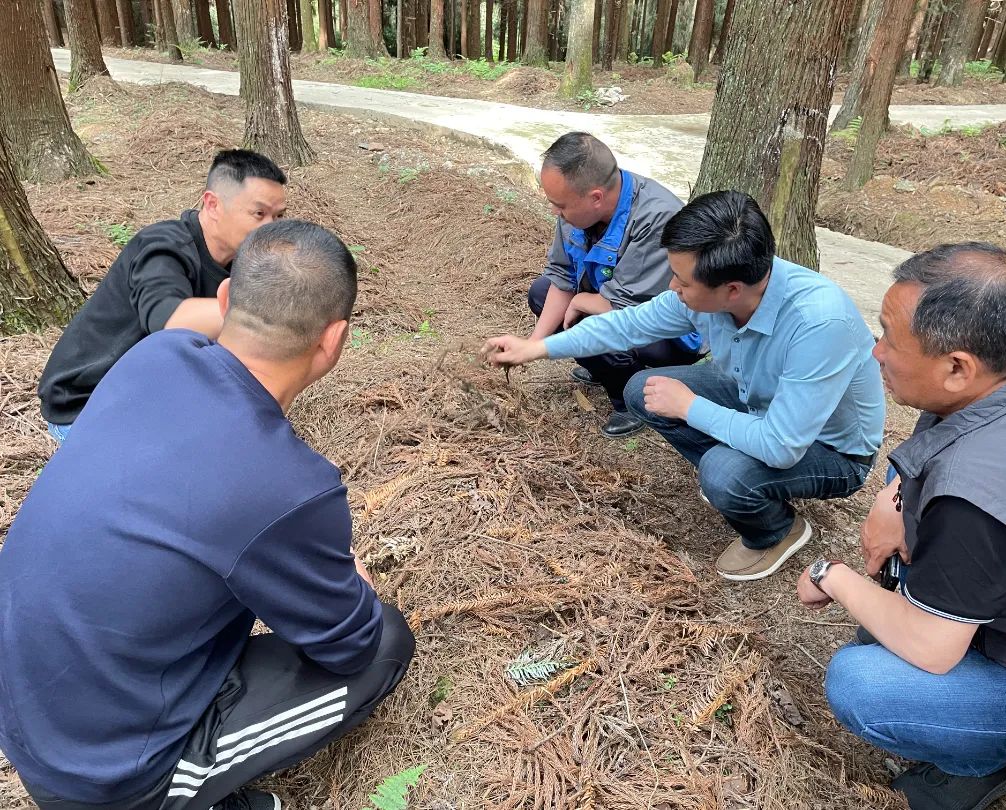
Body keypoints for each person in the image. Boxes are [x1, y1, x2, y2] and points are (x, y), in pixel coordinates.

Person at [0, 220, 414, 810]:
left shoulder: (156, 355)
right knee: (384, 643)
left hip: (26, 716)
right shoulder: (292, 485)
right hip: (102, 778)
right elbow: (348, 647)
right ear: (334, 341)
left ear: (222, 300)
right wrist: (355, 592)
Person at [798, 243, 1006, 810]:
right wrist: (895, 495)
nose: (876, 352)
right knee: (884, 621)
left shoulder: (980, 497)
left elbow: (931, 649)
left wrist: (831, 574)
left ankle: (987, 762)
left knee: (867, 682)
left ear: (957, 367)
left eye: (888, 337)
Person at [484, 190, 884, 580]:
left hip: (832, 449)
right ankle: (746, 476)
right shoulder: (720, 289)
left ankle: (775, 529)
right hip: (757, 399)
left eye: (682, 281)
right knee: (644, 390)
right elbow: (628, 324)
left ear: (731, 290)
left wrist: (691, 407)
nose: (673, 288)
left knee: (724, 472)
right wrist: (537, 347)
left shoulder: (817, 323)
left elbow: (782, 445)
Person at [37, 149, 289, 443]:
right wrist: (265, 305)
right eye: (259, 214)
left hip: (150, 397)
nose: (271, 228)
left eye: (279, 216)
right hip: (86, 406)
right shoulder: (163, 247)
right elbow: (170, 321)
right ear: (213, 205)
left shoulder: (243, 261)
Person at [528, 132, 702, 438]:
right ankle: (604, 365)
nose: (555, 212)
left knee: (587, 315)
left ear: (595, 197)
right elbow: (562, 275)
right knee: (542, 293)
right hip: (610, 300)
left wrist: (579, 302)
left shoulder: (656, 217)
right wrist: (532, 346)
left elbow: (627, 309)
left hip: (669, 333)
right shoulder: (575, 210)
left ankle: (629, 398)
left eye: (560, 205)